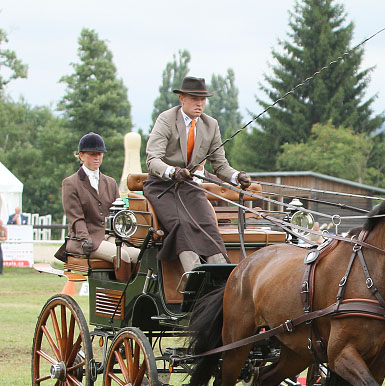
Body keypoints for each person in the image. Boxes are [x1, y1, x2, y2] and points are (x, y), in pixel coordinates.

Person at [144, 76, 250, 273]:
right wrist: (172, 171)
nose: (199, 103)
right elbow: (152, 160)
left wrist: (237, 177)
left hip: (189, 187)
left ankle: (222, 279)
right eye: (194, 98)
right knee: (181, 224)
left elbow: (220, 165)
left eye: (203, 99)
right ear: (182, 99)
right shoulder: (166, 120)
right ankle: (194, 277)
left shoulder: (211, 125)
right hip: (162, 187)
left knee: (208, 224)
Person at [54, 133, 141, 267]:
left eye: (99, 154)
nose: (97, 158)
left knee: (139, 255)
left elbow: (119, 214)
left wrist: (123, 236)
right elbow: (76, 218)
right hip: (86, 239)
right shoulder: (71, 183)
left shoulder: (110, 182)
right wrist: (86, 240)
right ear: (81, 156)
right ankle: (119, 288)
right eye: (92, 154)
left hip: (109, 236)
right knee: (122, 256)